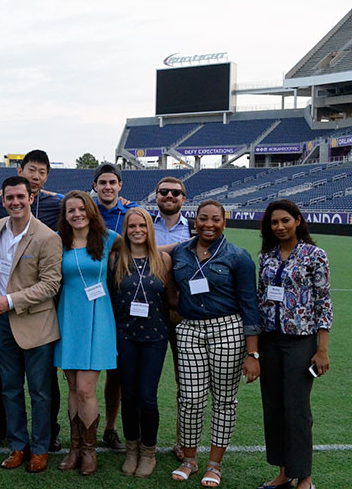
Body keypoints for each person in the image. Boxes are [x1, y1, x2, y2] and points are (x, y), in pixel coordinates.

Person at [169, 200, 261, 488]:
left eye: (215, 219)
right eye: (203, 219)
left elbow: (250, 306)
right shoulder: (180, 252)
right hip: (189, 330)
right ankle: (190, 459)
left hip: (228, 330)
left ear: (224, 222)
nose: (208, 224)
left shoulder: (238, 257)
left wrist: (252, 352)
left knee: (224, 401)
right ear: (194, 221)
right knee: (190, 399)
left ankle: (215, 464)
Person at [0, 149, 63, 452]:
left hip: (36, 321)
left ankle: (40, 448)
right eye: (9, 198)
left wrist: (11, 301)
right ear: (2, 200)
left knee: (40, 391)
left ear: (30, 198)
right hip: (2, 322)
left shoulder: (48, 234)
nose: (15, 202)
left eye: (20, 197)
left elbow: (52, 283)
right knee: (10, 389)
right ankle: (17, 445)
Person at [256, 200, 332, 489]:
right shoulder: (267, 256)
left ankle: (306, 477)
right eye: (275, 222)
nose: (280, 227)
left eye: (285, 220)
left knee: (297, 409)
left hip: (301, 341)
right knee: (273, 407)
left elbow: (324, 303)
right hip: (269, 340)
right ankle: (284, 472)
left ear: (298, 220)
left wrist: (321, 348)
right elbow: (261, 296)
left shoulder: (315, 255)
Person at [54, 190, 118, 477]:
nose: (77, 214)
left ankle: (89, 449)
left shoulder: (109, 239)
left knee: (85, 389)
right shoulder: (59, 242)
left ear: (90, 210)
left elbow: (147, 244)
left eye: (81, 208)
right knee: (71, 388)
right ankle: (75, 447)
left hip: (98, 318)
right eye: (71, 210)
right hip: (69, 317)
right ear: (65, 216)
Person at [109, 207, 176, 478]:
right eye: (132, 226)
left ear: (150, 229)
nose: (137, 231)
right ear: (125, 229)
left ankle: (148, 450)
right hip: (125, 335)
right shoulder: (116, 259)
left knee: (147, 397)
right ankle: (132, 447)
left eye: (142, 226)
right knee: (129, 395)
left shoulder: (163, 260)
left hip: (155, 337)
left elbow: (171, 299)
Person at [90, 162, 137, 453]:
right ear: (94, 186)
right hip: (91, 297)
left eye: (112, 182)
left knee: (118, 371)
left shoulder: (131, 214)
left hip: (125, 298)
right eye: (102, 182)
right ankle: (84, 431)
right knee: (85, 368)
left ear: (120, 186)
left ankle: (110, 428)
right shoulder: (86, 212)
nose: (108, 187)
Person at [152, 175, 191, 461]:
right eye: (164, 192)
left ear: (183, 198)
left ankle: (183, 440)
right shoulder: (141, 223)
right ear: (156, 196)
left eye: (175, 192)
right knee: (144, 380)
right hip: (148, 311)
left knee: (186, 381)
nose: (169, 196)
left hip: (183, 313)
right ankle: (143, 440)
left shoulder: (196, 227)